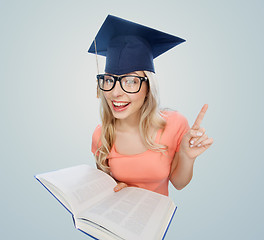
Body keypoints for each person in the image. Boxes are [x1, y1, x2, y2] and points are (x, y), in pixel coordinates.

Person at [89, 15, 213, 196]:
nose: (116, 93)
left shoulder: (175, 123)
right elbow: (106, 187)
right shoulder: (101, 135)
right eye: (109, 80)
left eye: (130, 81)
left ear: (148, 87)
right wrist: (115, 189)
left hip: (157, 220)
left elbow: (179, 183)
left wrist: (186, 156)